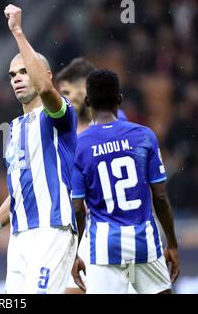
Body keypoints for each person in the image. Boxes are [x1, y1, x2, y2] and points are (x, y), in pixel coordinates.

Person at [0, 4, 78, 294]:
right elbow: (17, 194)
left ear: (45, 74)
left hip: (52, 230)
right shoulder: (15, 129)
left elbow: (45, 89)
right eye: (12, 74)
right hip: (20, 238)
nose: (16, 77)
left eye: (24, 71)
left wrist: (17, 31)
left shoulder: (59, 114)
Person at [70, 69, 180, 294]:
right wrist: (172, 243)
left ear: (88, 100)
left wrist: (73, 253)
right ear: (119, 98)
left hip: (104, 247)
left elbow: (78, 209)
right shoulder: (144, 136)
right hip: (144, 242)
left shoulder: (79, 146)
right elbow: (160, 197)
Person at [56, 57, 128, 294]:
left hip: (107, 225)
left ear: (85, 89)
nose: (64, 98)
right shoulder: (62, 128)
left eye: (67, 91)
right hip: (74, 226)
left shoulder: (116, 124)